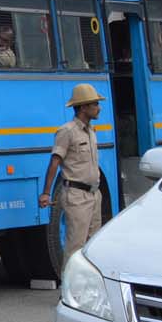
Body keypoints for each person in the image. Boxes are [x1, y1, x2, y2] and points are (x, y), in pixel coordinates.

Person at [42, 84, 104, 262]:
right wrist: (46, 193)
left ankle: (88, 287)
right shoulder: (67, 131)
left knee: (94, 245)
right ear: (83, 107)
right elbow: (55, 161)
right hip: (76, 196)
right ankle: (70, 287)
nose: (98, 108)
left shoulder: (91, 131)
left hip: (94, 194)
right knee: (75, 247)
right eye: (95, 104)